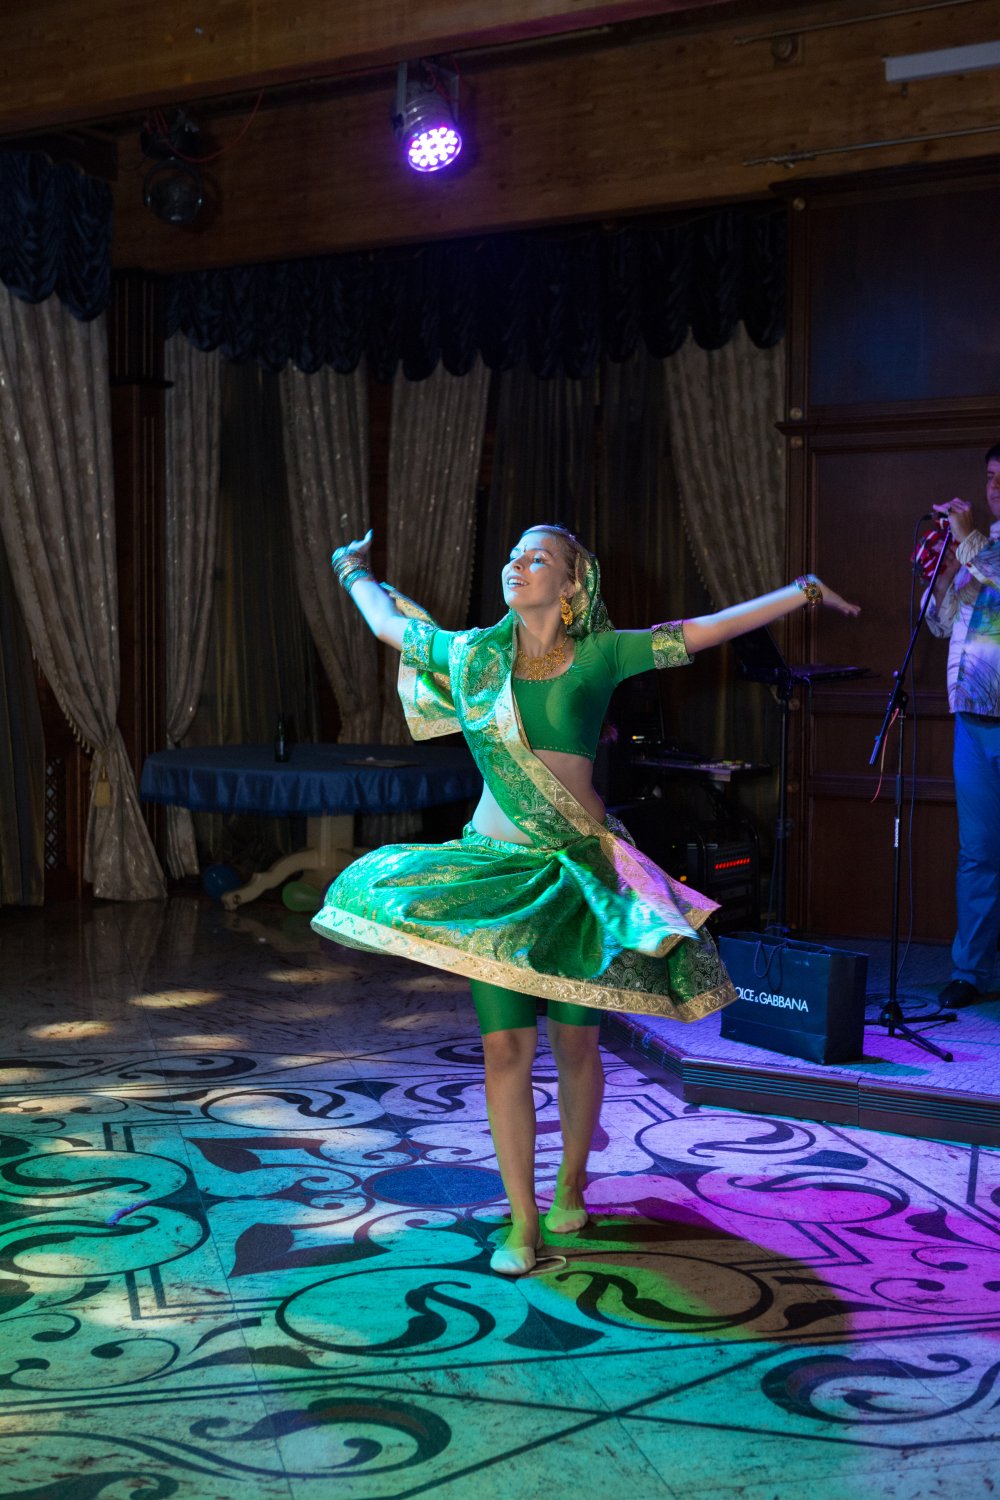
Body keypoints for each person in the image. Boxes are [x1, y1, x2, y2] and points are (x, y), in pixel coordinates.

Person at [315, 525, 859, 1274]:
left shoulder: (602, 654)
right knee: (505, 1048)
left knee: (576, 1044)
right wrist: (351, 570)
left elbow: (704, 631)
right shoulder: (472, 655)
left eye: (537, 557)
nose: (517, 565)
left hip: (580, 878)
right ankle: (522, 1221)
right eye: (513, 555)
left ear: (571, 584)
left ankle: (571, 1182)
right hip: (497, 879)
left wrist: (800, 592)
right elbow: (389, 626)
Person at [926, 442, 1000, 1008]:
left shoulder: (986, 551)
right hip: (972, 718)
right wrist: (946, 570)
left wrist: (968, 542)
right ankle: (970, 971)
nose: (995, 488)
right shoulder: (981, 549)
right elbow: (939, 624)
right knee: (978, 852)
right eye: (991, 477)